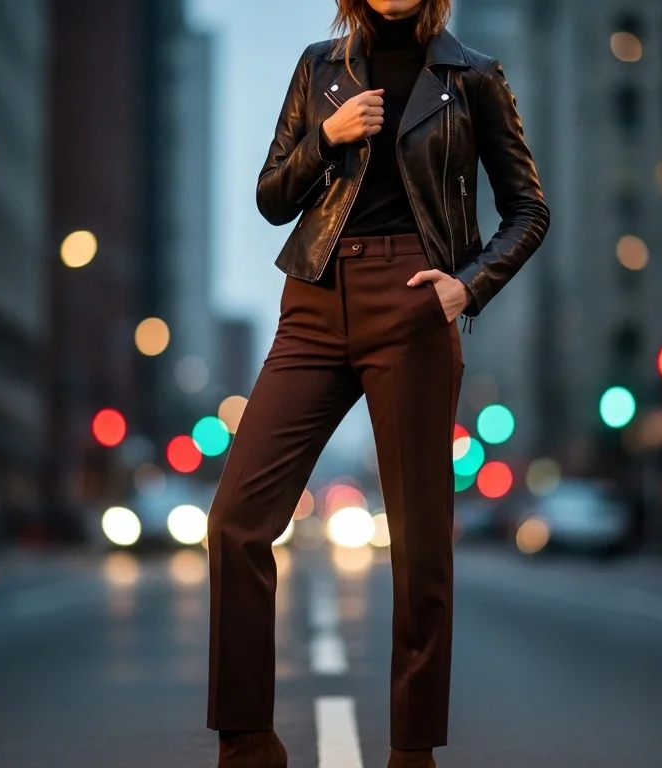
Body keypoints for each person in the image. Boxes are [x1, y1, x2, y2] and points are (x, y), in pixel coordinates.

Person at [205, 1, 548, 765]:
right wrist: (326, 138)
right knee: (234, 521)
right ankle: (247, 742)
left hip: (416, 298)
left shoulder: (475, 77)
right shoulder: (319, 69)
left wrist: (470, 285)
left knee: (421, 548)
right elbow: (270, 198)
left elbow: (529, 208)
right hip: (315, 300)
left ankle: (412, 751)